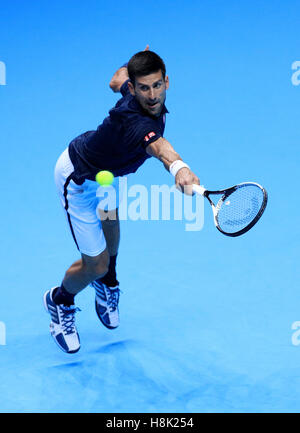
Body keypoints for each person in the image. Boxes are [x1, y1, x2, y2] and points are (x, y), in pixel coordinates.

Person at [44, 46, 200, 353]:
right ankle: (59, 300)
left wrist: (132, 62)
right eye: (144, 88)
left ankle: (107, 283)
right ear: (135, 89)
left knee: (112, 231)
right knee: (96, 264)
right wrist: (179, 167)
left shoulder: (129, 86)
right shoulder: (136, 122)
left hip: (106, 174)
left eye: (157, 85)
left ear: (166, 81)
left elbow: (115, 80)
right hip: (77, 178)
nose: (153, 95)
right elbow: (159, 147)